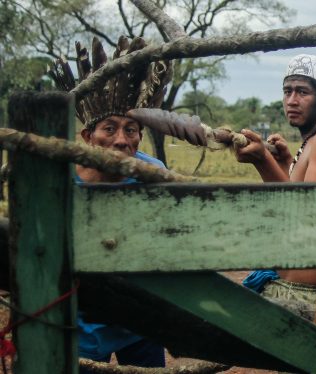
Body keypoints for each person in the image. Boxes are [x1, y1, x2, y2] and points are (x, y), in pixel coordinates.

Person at [48, 36, 205, 372]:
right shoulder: (57, 179)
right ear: (87, 136)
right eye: (110, 128)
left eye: (131, 129)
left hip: (140, 316)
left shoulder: (154, 174)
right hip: (78, 317)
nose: (122, 140)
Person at [237, 54, 316, 310]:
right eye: (287, 91)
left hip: (307, 294)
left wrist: (263, 161)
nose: (292, 101)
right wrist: (285, 162)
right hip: (295, 287)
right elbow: (301, 192)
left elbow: (305, 216)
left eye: (302, 92)